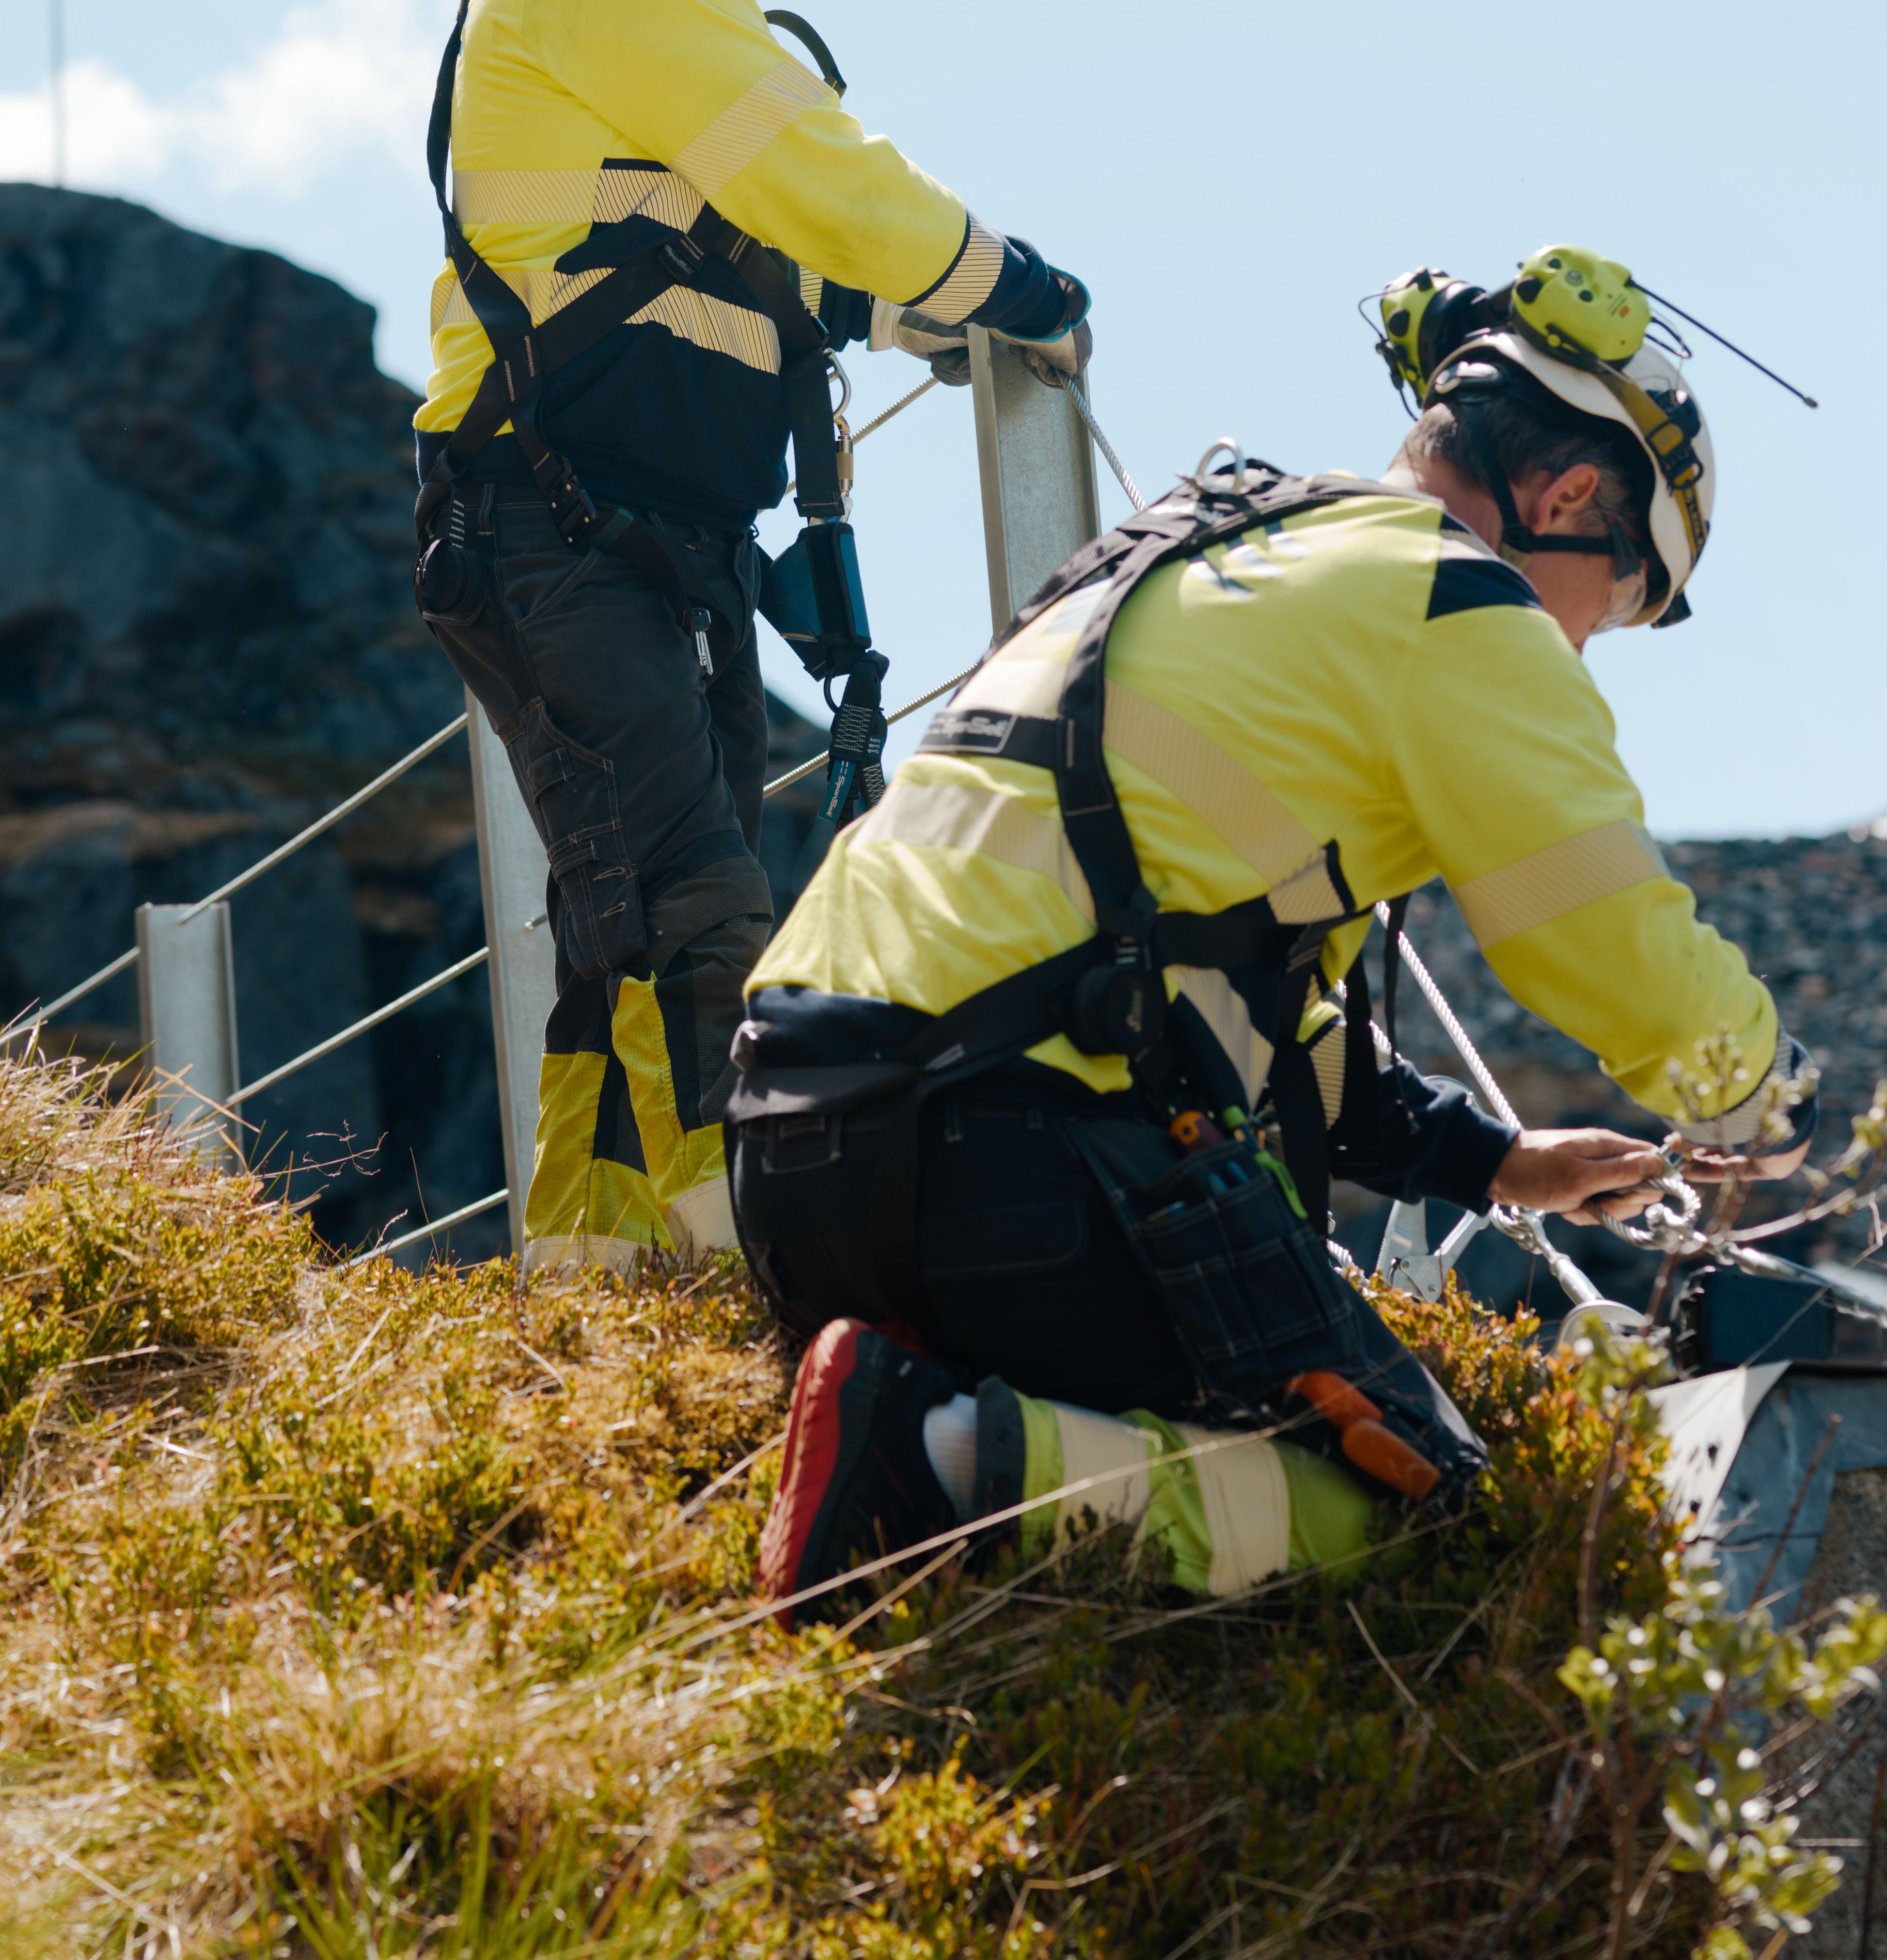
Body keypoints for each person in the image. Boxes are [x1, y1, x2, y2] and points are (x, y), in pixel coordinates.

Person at [724, 249, 1818, 1613]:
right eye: (1626, 596)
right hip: (1004, 1172)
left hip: (799, 1146)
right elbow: (1612, 951)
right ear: (1572, 497)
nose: (1595, 641)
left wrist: (1494, 1160)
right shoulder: (1460, 605)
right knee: (1425, 1502)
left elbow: (1203, 985)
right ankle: (935, 1457)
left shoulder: (1215, 546)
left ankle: (938, 1395)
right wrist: (1773, 1106)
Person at [416, 0, 1094, 1276]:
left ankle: (592, 1295)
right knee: (694, 919)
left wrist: (894, 306)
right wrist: (1005, 285)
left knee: (631, 929)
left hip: (621, 534)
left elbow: (743, 251)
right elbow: (816, 182)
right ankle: (744, 1293)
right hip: (560, 526)